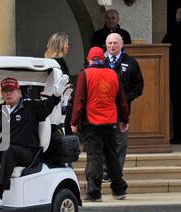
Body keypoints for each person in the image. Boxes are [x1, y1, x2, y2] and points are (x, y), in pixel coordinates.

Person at [0, 77, 66, 209]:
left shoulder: (31, 107)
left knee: (9, 149)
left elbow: (46, 107)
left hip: (27, 154)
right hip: (5, 152)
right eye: (5, 91)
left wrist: (56, 96)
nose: (8, 94)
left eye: (11, 90)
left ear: (19, 92)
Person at [71, 47, 129, 202]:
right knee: (112, 155)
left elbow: (79, 101)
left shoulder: (85, 75)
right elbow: (121, 100)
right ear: (103, 59)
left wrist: (74, 122)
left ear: (89, 59)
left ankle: (94, 191)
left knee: (94, 156)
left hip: (92, 122)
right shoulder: (113, 74)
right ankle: (119, 189)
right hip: (111, 121)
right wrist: (124, 120)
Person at [103, 33, 144, 181]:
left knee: (120, 143)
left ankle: (116, 174)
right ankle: (105, 171)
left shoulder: (131, 62)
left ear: (121, 44)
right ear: (106, 45)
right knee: (105, 142)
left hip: (122, 111)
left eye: (115, 43)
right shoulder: (100, 61)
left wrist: (124, 99)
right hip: (102, 111)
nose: (112, 46)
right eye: (109, 43)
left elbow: (138, 87)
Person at [44, 32, 73, 136]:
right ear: (60, 45)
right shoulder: (53, 63)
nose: (68, 46)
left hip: (63, 102)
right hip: (55, 104)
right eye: (67, 44)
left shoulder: (60, 61)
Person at [163, 8, 181, 144]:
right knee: (176, 106)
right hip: (175, 76)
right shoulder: (171, 34)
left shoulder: (171, 34)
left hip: (175, 75)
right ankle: (178, 135)